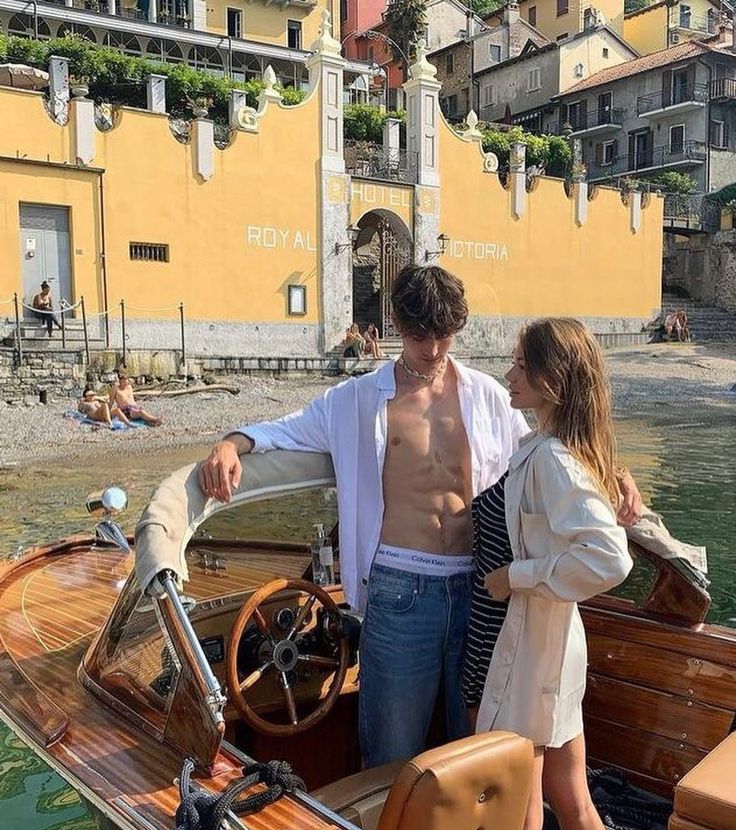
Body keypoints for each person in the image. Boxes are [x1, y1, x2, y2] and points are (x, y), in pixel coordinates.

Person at [198, 265, 643, 769]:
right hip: (400, 588)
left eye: (444, 335)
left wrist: (615, 474)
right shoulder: (358, 399)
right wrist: (231, 444)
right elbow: (287, 429)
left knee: (476, 748)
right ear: (395, 325)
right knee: (392, 751)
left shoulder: (488, 396)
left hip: (482, 589)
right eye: (417, 335)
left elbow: (552, 445)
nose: (431, 349)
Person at [471, 318, 633, 830]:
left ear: (550, 381)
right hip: (557, 649)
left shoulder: (551, 461)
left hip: (531, 652)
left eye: (518, 366)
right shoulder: (569, 450)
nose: (507, 375)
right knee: (574, 801)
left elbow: (608, 557)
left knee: (519, 827)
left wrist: (516, 576)